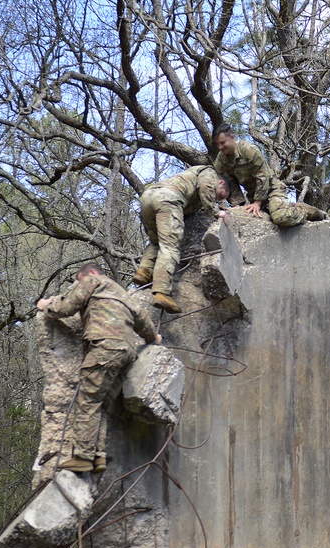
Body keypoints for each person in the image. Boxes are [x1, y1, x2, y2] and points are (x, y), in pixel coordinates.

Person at [37, 262, 160, 474]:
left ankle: (83, 457)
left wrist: (47, 306)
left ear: (91, 273)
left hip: (104, 347)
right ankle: (98, 456)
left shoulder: (93, 281)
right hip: (127, 354)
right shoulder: (123, 294)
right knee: (101, 404)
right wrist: (154, 338)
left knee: (87, 400)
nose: (79, 284)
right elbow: (142, 319)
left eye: (79, 280)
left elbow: (67, 307)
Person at [132, 165, 225, 314]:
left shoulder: (188, 180)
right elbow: (205, 186)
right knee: (170, 246)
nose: (218, 200)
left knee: (157, 242)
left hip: (148, 197)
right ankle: (162, 292)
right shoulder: (210, 173)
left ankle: (144, 271)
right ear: (220, 183)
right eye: (221, 196)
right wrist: (215, 211)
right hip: (168, 200)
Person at [212, 124, 325, 229]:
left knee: (280, 217)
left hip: (272, 189)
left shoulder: (248, 150)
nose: (220, 147)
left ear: (232, 137)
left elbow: (262, 176)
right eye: (217, 144)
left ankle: (308, 211)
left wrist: (257, 202)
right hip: (253, 195)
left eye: (222, 143)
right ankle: (282, 206)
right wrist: (238, 205)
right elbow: (230, 183)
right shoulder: (221, 160)